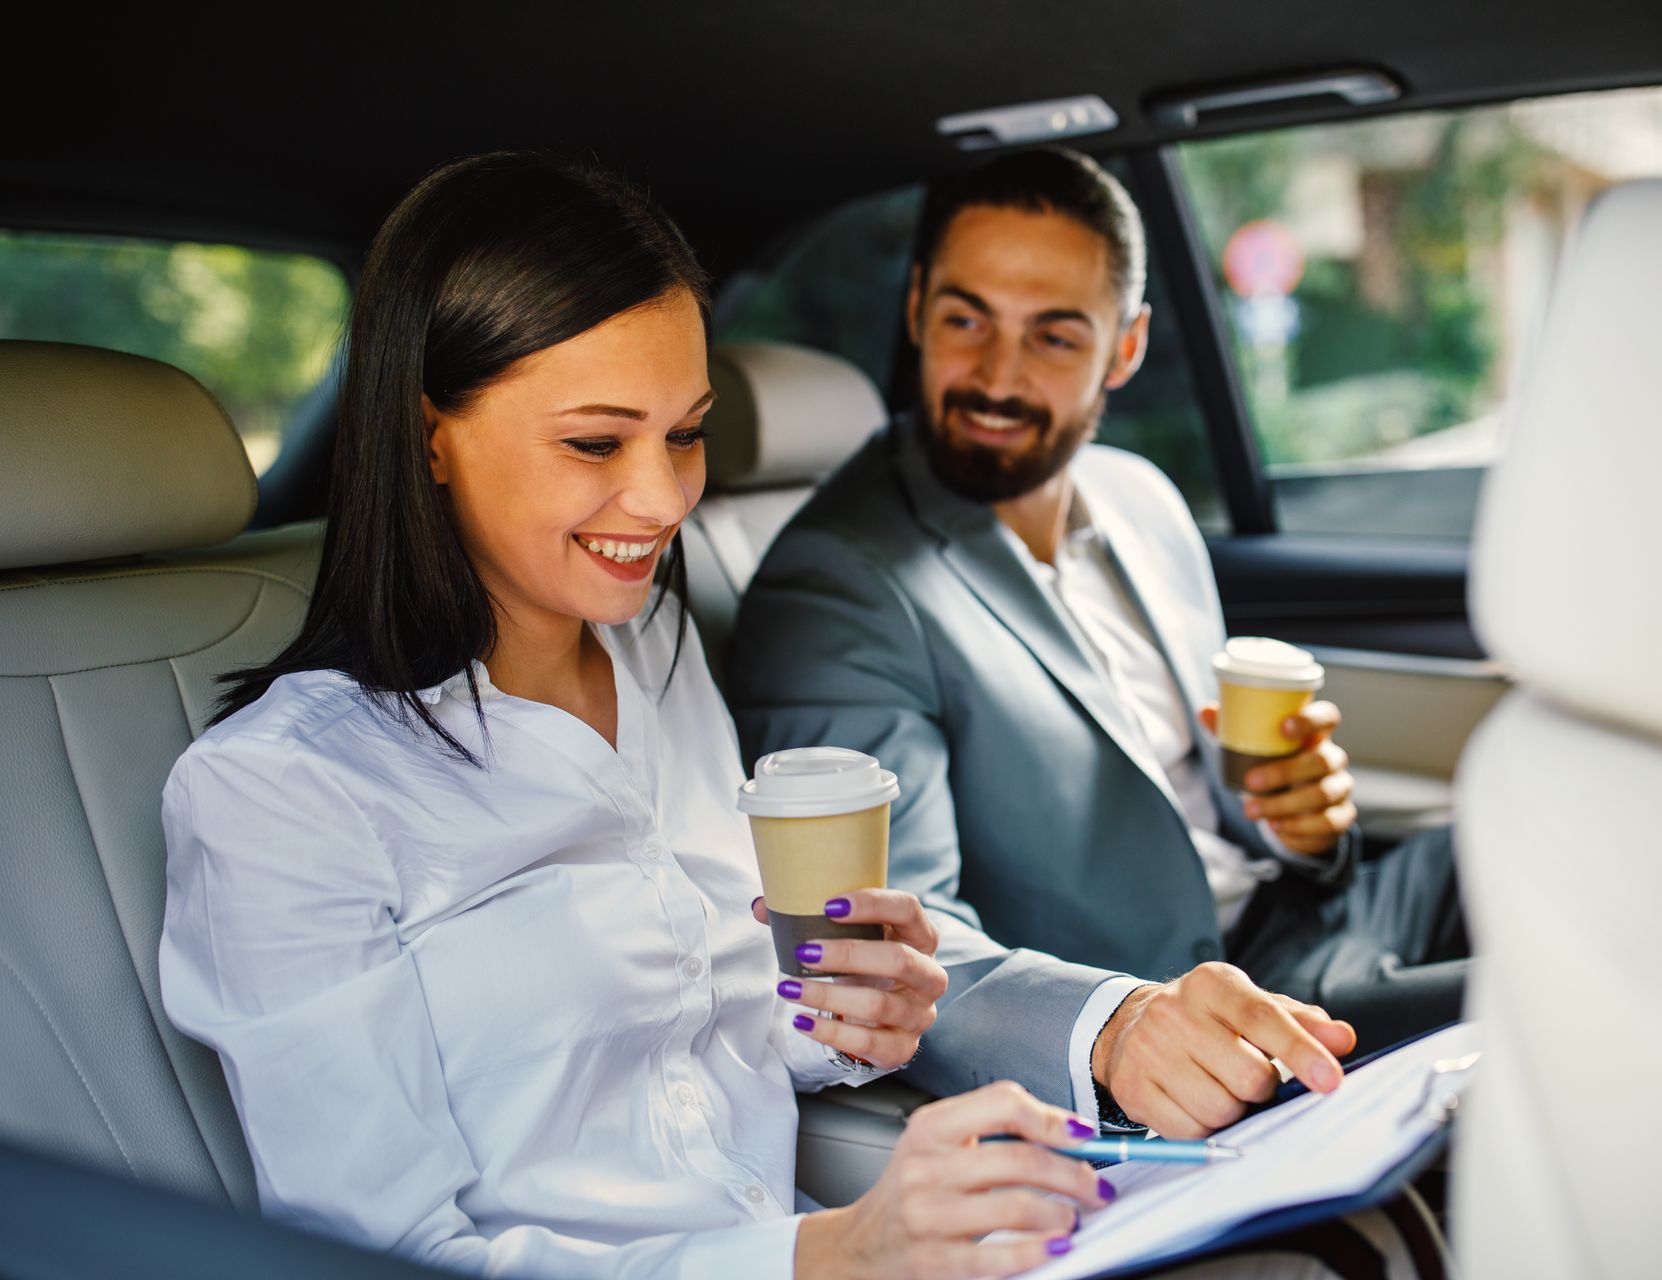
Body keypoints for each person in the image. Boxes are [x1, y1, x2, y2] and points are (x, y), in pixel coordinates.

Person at [157, 151, 1165, 1280]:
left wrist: (844, 1022)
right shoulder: (282, 792)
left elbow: (709, 1021)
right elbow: (387, 1255)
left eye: (685, 432)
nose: (664, 496)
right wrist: (833, 1252)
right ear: (428, 430)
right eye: (596, 441)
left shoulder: (657, 656)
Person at [729, 147, 1470, 1142]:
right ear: (915, 309)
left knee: (1575, 820)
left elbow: (1196, 801)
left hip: (1310, 919)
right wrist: (1118, 1028)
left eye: (1054, 336)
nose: (996, 375)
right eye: (965, 319)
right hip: (1196, 1018)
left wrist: (1299, 823)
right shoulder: (838, 584)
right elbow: (887, 943)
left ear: (1125, 349)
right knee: (1565, 998)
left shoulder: (1141, 498)